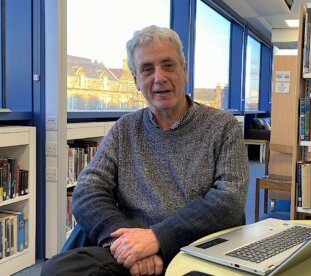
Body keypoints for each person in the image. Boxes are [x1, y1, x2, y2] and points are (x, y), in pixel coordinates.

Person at [41, 25, 249, 275]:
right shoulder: (125, 129)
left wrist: (158, 239)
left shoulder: (223, 127)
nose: (159, 77)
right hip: (131, 254)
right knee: (58, 270)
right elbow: (87, 191)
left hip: (197, 252)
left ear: (184, 71)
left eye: (168, 65)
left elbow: (228, 201)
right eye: (147, 69)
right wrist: (125, 245)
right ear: (136, 81)